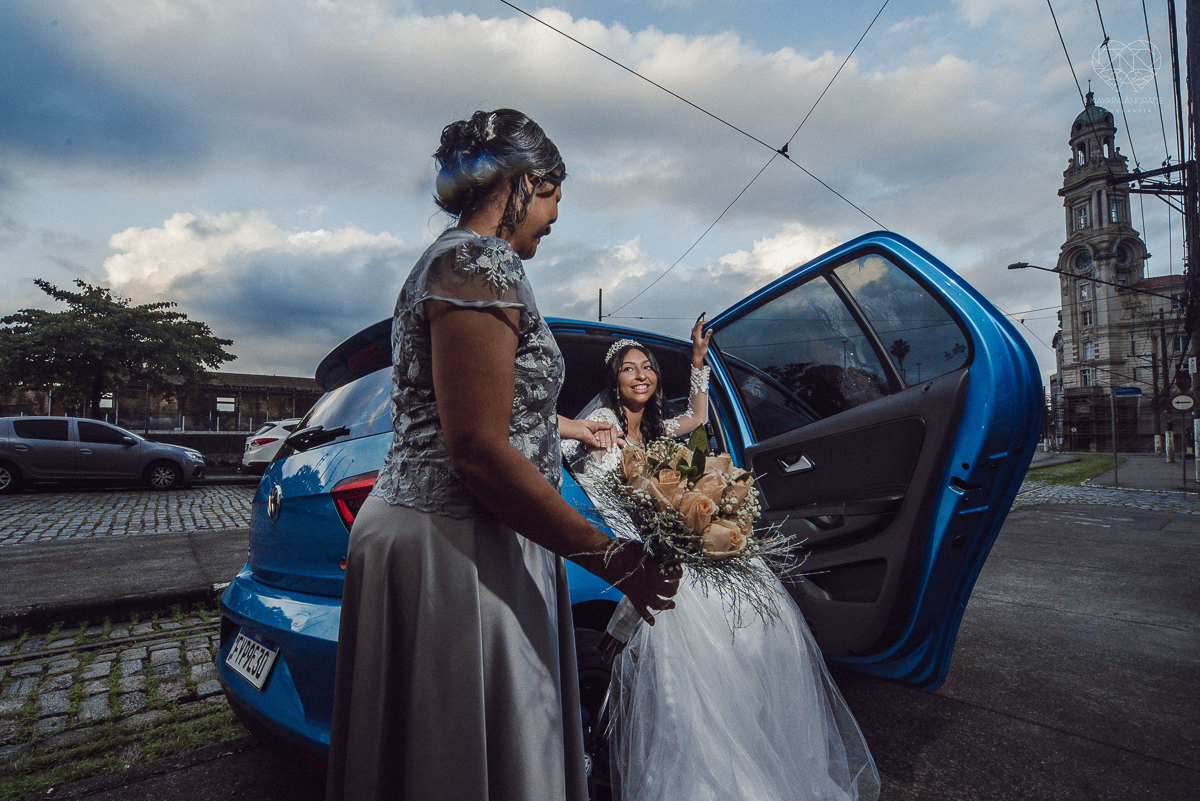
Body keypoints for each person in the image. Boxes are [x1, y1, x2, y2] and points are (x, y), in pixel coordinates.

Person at [325, 109, 680, 801]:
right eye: (552, 198)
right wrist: (610, 556)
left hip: (448, 536)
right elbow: (481, 452)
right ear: (522, 184)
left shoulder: (449, 261)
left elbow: (498, 413)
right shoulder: (477, 261)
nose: (553, 218)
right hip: (457, 551)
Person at [562, 324, 880, 801]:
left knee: (746, 632)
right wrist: (576, 427)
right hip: (626, 547)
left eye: (648, 367)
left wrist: (697, 362)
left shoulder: (654, 429)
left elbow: (695, 416)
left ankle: (737, 750)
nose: (641, 375)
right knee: (679, 668)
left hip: (665, 547)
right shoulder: (601, 422)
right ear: (614, 381)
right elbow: (534, 431)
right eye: (629, 369)